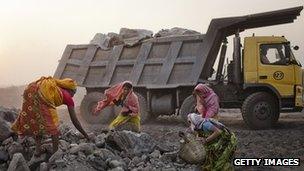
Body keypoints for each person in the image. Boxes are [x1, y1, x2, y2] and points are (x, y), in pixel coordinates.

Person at [11, 76, 90, 156]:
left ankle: (38, 150)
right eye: (73, 92)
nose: (73, 95)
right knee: (54, 127)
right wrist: (86, 135)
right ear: (69, 90)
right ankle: (55, 154)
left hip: (31, 90)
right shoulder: (68, 97)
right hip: (42, 96)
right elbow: (74, 120)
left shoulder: (54, 88)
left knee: (38, 122)